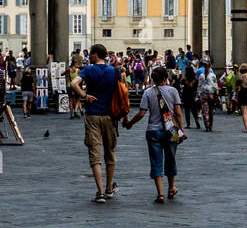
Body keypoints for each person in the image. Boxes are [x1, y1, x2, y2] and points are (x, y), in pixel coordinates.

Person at [124, 66, 184, 203]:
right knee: (171, 159)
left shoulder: (148, 92)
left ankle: (160, 194)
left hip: (153, 130)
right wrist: (181, 130)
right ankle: (170, 188)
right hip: (171, 130)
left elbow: (141, 113)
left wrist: (130, 123)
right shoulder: (173, 91)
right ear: (165, 78)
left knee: (156, 161)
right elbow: (179, 113)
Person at [71, 45, 121, 204]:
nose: (88, 57)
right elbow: (121, 92)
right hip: (109, 115)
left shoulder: (89, 70)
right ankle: (108, 188)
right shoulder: (113, 71)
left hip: (92, 114)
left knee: (95, 153)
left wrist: (85, 95)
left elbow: (74, 83)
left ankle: (100, 192)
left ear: (95, 55)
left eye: (90, 54)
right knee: (110, 152)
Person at [180, 61, 202, 130]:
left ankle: (188, 124)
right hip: (193, 96)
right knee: (194, 110)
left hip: (186, 96)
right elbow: (196, 87)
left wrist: (183, 76)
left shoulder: (185, 80)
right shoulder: (195, 80)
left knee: (187, 111)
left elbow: (181, 82)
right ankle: (196, 121)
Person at [197, 60, 218, 131]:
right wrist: (217, 93)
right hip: (211, 94)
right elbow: (215, 86)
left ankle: (207, 126)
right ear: (210, 67)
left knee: (205, 111)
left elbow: (199, 85)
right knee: (211, 110)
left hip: (203, 94)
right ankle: (211, 125)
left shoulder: (201, 75)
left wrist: (198, 93)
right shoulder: (213, 76)